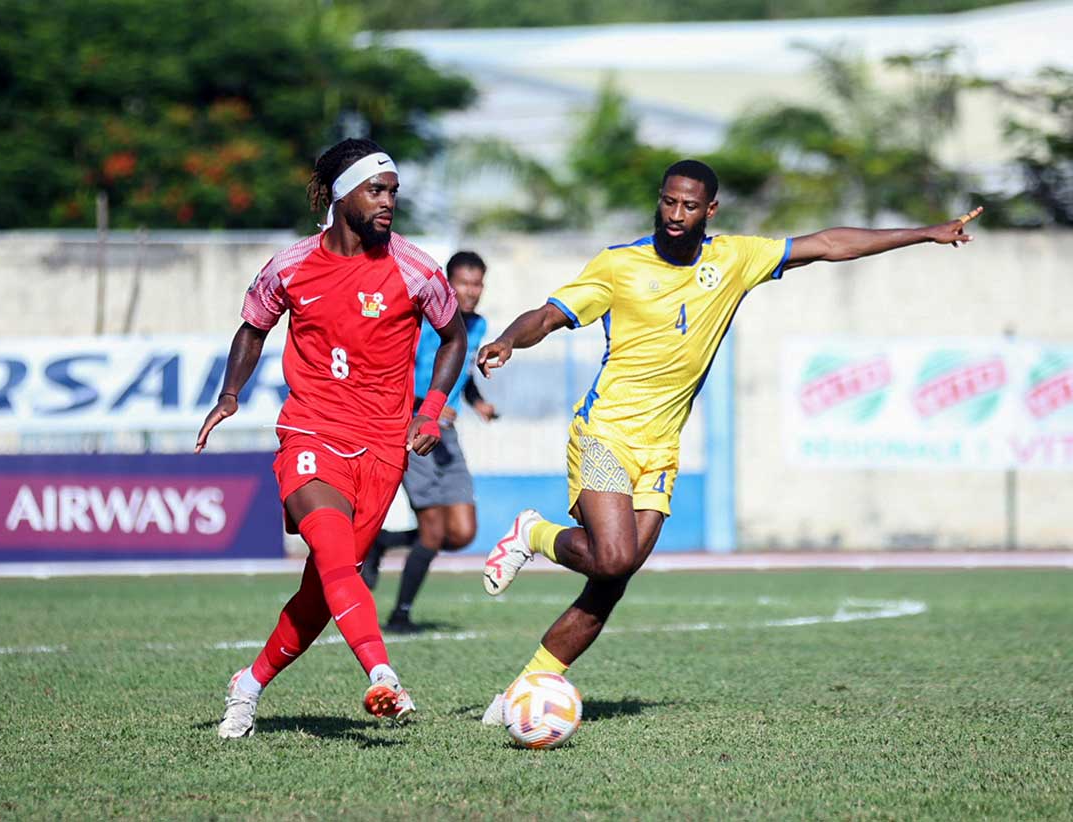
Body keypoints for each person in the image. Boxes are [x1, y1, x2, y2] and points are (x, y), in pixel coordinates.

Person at [475, 159, 982, 723]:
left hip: (661, 448)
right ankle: (532, 531)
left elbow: (828, 243)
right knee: (614, 557)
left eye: (689, 206)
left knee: (612, 581)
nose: (675, 214)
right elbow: (549, 315)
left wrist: (923, 233)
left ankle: (524, 692)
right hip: (605, 434)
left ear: (709, 210)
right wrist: (506, 340)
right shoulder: (619, 265)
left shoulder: (734, 258)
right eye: (668, 202)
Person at [195, 138, 467, 738]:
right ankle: (383, 673)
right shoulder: (290, 266)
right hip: (310, 430)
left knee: (321, 589)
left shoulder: (416, 269)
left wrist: (432, 411)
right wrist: (230, 394)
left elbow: (454, 338)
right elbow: (252, 328)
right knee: (335, 553)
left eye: (394, 191)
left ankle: (249, 683)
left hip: (383, 448)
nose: (389, 201)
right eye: (377, 189)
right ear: (344, 195)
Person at [361, 251, 497, 633]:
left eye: (477, 283)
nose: (470, 292)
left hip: (447, 434)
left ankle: (382, 542)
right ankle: (401, 614)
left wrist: (476, 401)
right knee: (434, 531)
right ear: (448, 284)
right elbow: (399, 376)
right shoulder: (426, 323)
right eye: (463, 283)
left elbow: (459, 372)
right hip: (414, 427)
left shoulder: (480, 325)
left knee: (462, 532)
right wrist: (428, 409)